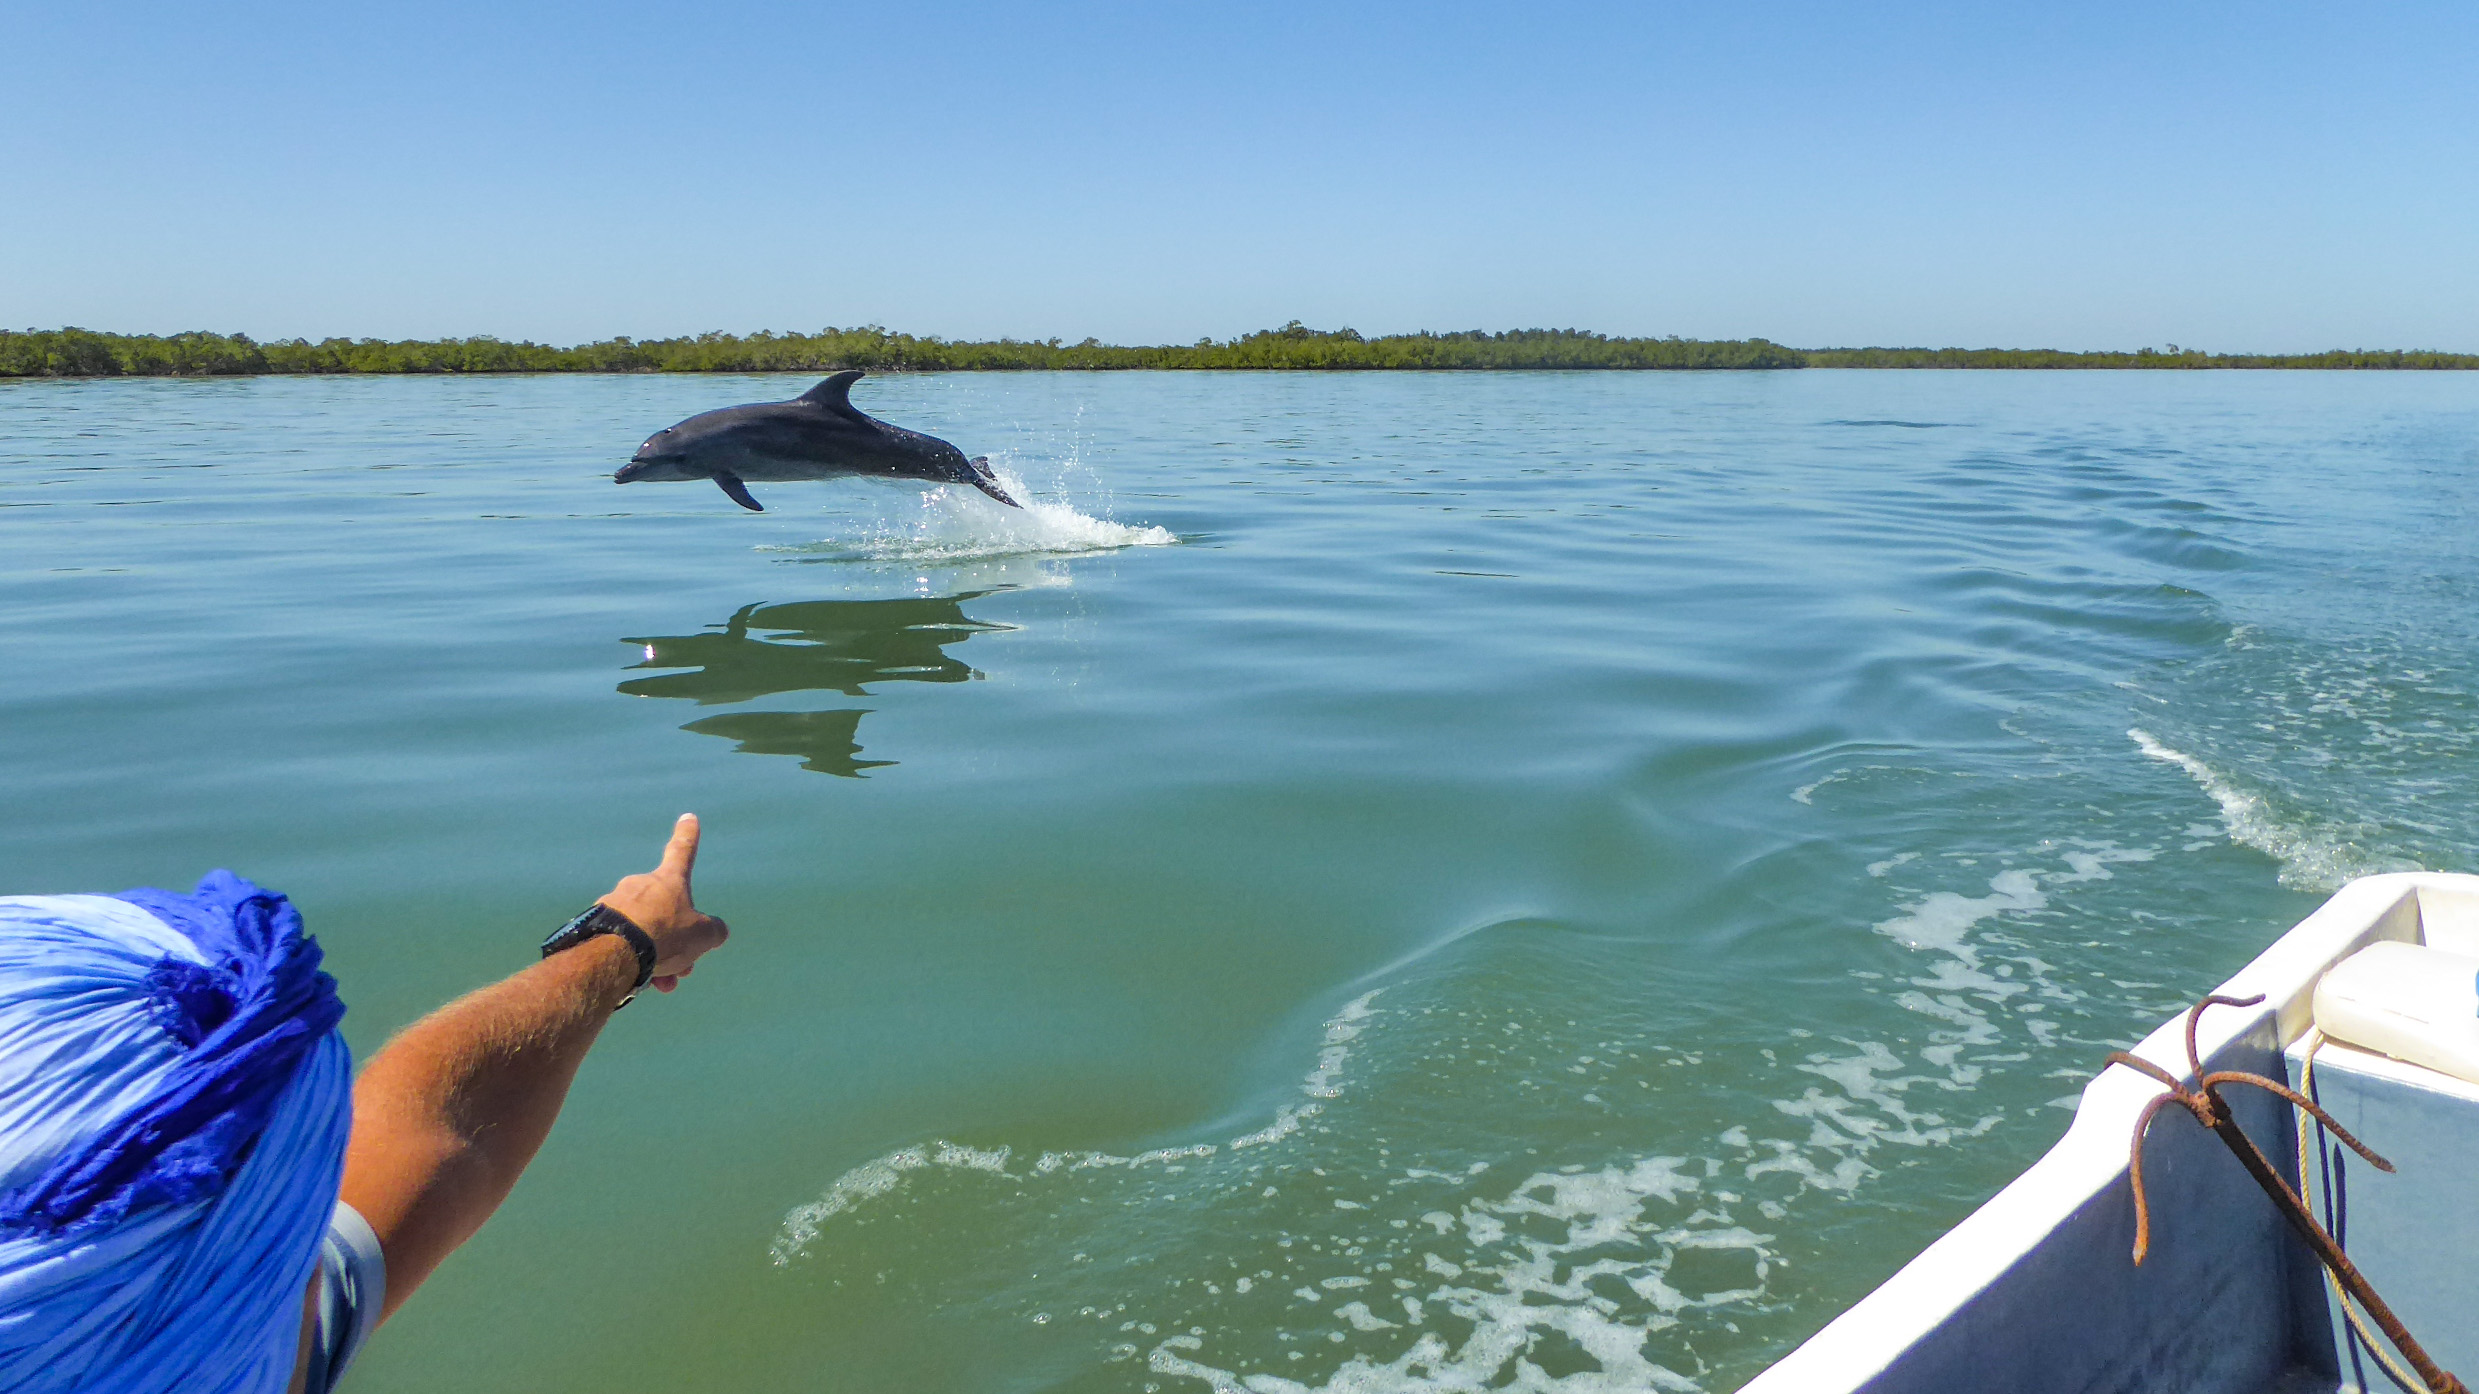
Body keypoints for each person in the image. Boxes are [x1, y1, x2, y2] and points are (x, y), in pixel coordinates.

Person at [0, 813, 730, 1394]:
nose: (299, 1291)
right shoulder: (223, 1326)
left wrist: (624, 943)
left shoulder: (175, 1327)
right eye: (288, 1242)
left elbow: (438, 1127)